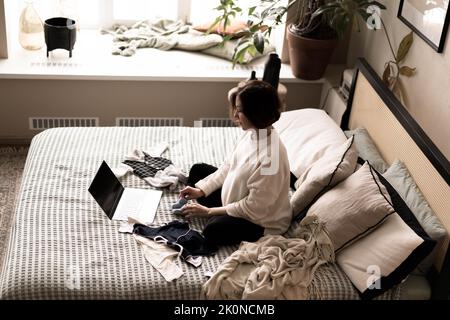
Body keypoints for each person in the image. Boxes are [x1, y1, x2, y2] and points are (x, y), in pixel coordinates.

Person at [179, 80, 292, 247]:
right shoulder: (253, 132)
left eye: (239, 111)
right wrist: (201, 190)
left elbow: (255, 208)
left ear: (255, 113)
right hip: (237, 198)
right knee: (198, 170)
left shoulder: (271, 159)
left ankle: (218, 214)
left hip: (259, 221)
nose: (235, 116)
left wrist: (209, 212)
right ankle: (219, 210)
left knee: (212, 231)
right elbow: (228, 166)